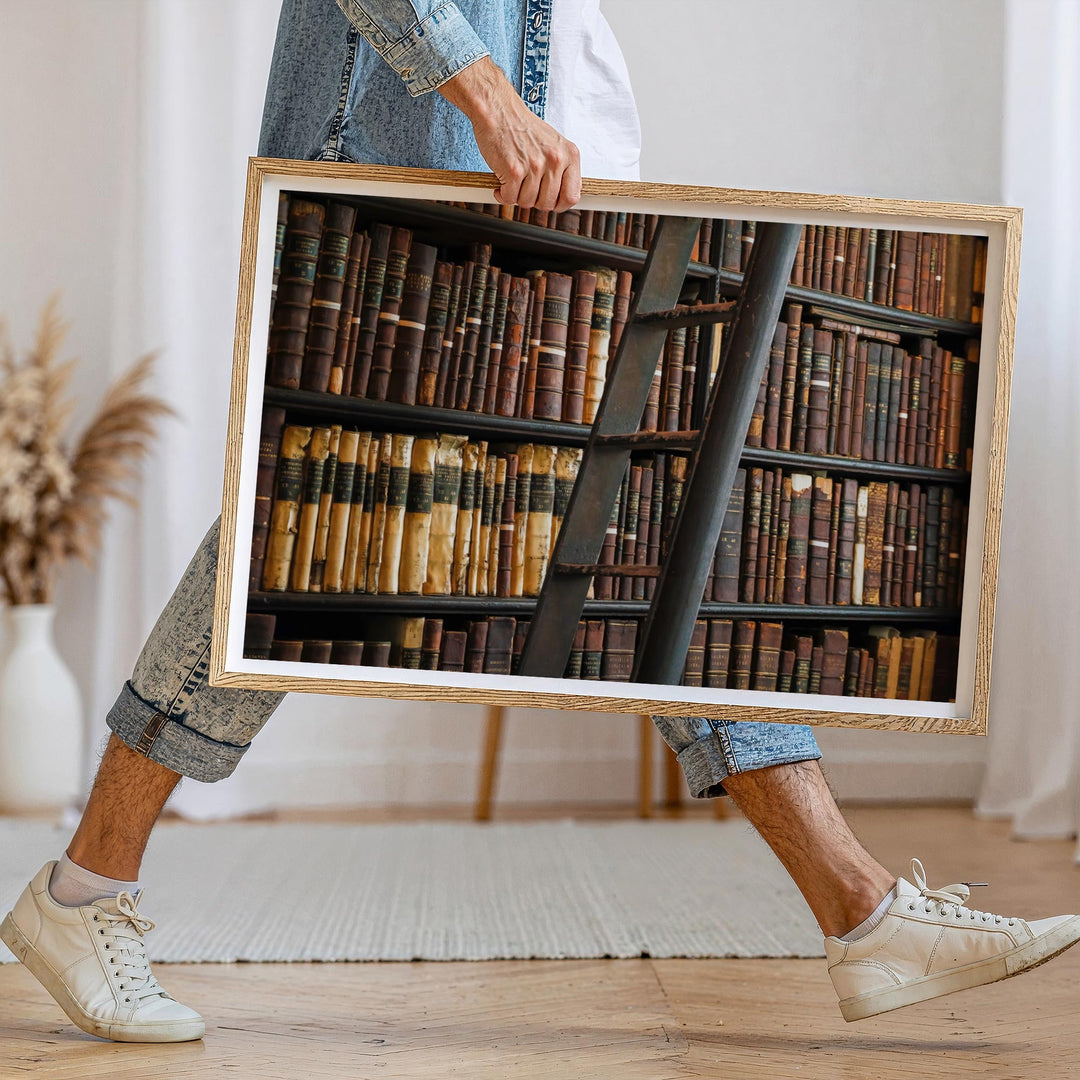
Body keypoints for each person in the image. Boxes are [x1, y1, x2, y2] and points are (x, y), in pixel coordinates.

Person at [3, 0, 1078, 1045]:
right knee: (286, 549)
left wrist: (543, 122)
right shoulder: (460, 107)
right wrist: (480, 93)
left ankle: (864, 913)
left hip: (545, 170)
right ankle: (84, 888)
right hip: (422, 154)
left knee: (651, 523)